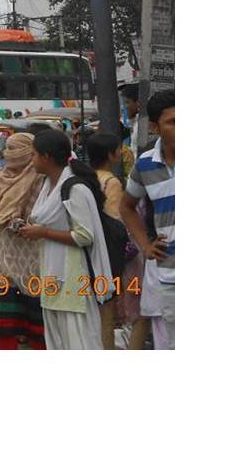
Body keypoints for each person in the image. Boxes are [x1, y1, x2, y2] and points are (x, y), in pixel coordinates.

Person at [18, 129, 113, 350]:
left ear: (47, 157)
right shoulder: (48, 186)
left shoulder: (75, 189)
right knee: (59, 343)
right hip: (53, 274)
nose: (30, 160)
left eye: (33, 154)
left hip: (73, 278)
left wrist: (43, 233)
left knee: (79, 343)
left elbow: (84, 235)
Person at [0, 133, 46, 349]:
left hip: (17, 254)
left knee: (16, 318)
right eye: (8, 148)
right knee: (19, 318)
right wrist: (13, 222)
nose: (10, 154)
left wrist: (2, 219)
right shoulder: (39, 179)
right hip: (26, 255)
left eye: (14, 148)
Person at [120, 89, 175, 350]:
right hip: (169, 274)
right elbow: (127, 206)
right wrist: (145, 245)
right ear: (155, 127)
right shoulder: (145, 165)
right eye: (172, 122)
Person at [87, 132, 129, 350]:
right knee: (107, 312)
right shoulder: (111, 182)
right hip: (106, 254)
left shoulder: (85, 179)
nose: (121, 152)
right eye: (118, 149)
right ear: (110, 155)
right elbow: (115, 220)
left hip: (85, 249)